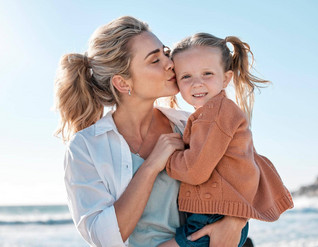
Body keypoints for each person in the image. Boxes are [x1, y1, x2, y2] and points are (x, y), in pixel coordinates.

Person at [54, 17, 249, 247]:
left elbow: (238, 174)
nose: (169, 63)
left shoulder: (188, 125)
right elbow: (104, 239)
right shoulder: (85, 147)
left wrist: (236, 221)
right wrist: (151, 165)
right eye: (155, 60)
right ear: (123, 83)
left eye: (165, 53)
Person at [159, 33, 294, 247]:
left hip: (213, 216)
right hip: (221, 214)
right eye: (186, 76)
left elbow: (195, 170)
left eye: (207, 73)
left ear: (226, 78)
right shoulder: (218, 111)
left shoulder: (214, 114)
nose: (197, 84)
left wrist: (166, 158)